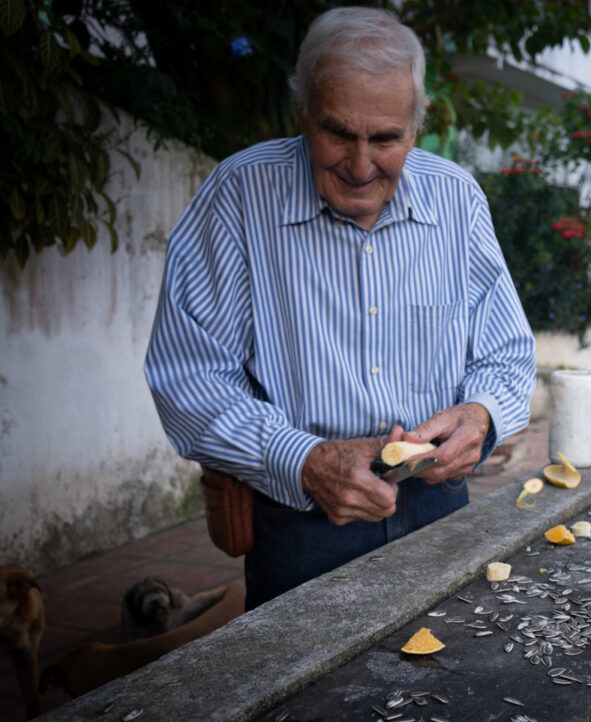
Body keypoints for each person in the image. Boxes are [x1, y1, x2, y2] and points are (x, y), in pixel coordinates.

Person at [144, 7, 536, 610]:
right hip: (300, 522)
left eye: (386, 139)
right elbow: (188, 378)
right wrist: (302, 460)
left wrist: (481, 417)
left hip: (439, 507)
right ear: (302, 115)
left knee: (452, 687)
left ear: (416, 123)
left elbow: (506, 354)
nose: (359, 166)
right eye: (337, 133)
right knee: (299, 702)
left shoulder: (457, 199)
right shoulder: (238, 196)